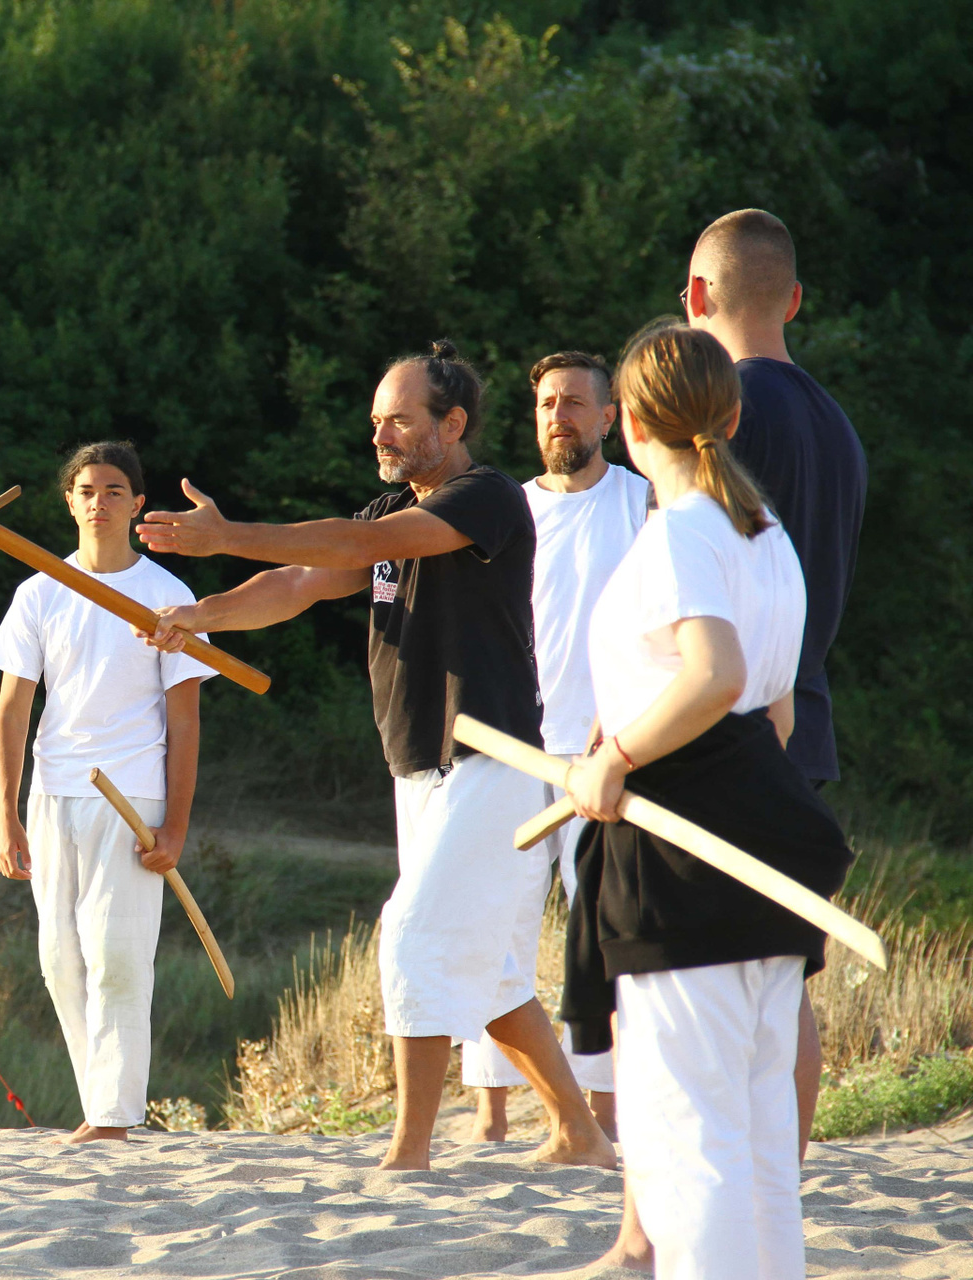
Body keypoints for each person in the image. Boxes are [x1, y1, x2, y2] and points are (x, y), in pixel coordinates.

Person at [134, 342, 615, 1171]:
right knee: (490, 969)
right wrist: (201, 614)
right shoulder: (387, 511)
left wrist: (226, 535)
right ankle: (579, 1133)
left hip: (490, 758)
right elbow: (300, 581)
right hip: (416, 764)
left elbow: (357, 545)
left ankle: (410, 1148)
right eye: (375, 421)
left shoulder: (488, 497)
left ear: (452, 424)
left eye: (398, 419)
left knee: (411, 934)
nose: (381, 435)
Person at [598, 208, 871, 1272]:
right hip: (773, 797)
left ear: (635, 422)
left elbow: (711, 673)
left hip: (685, 830)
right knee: (754, 1131)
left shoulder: (693, 527)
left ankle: (655, 1243)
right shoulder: (780, 519)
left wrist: (615, 755)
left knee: (690, 1130)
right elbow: (781, 704)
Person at [0, 441, 213, 1143]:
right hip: (54, 791)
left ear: (137, 504)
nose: (99, 502)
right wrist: (6, 817)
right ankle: (100, 1106)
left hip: (133, 792)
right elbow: (12, 711)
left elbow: (184, 720)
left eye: (114, 490)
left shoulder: (169, 597)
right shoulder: (40, 591)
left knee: (117, 954)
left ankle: (112, 1118)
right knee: (61, 960)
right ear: (70, 502)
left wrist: (175, 827)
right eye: (86, 490)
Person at [461, 351, 645, 1144]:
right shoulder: (509, 509)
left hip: (605, 752)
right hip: (510, 745)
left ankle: (602, 1109)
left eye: (574, 403)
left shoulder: (642, 502)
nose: (558, 417)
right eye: (546, 404)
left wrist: (626, 738)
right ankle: (492, 1108)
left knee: (599, 934)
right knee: (493, 924)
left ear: (608, 417)